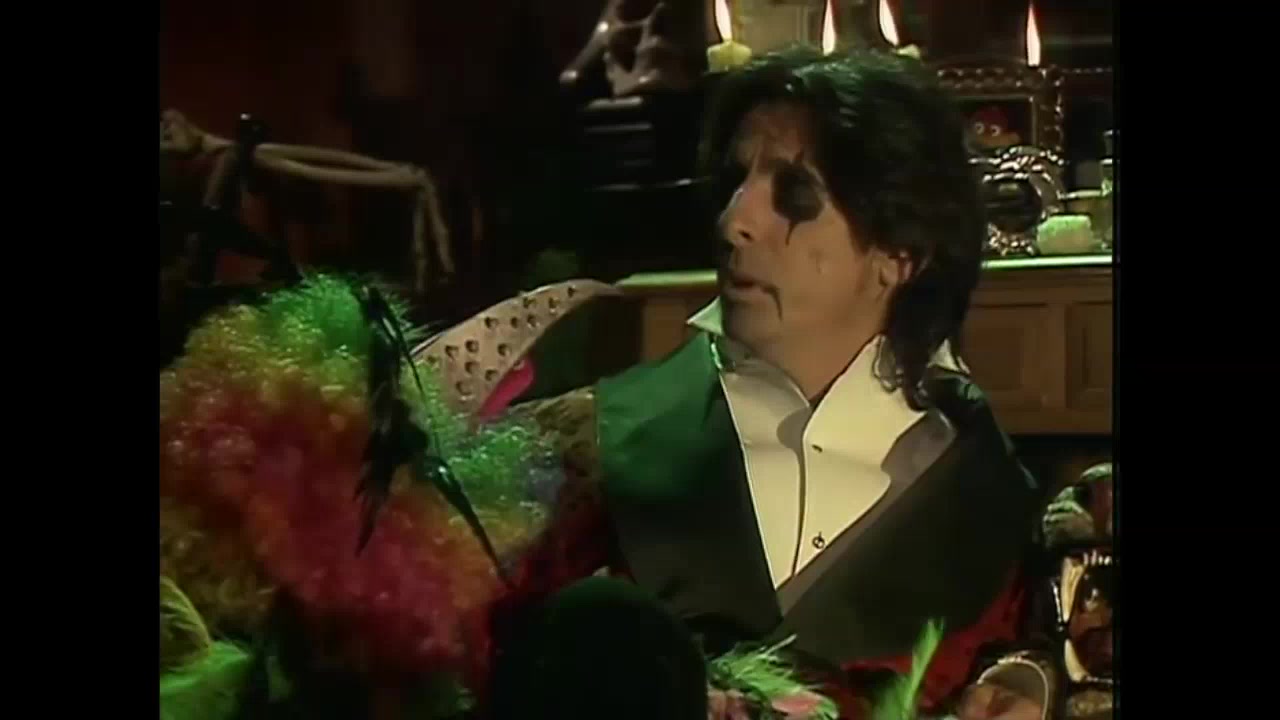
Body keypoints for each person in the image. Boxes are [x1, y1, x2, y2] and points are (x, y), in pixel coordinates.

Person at [499, 47, 1049, 716]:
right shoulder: (587, 448)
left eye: (794, 195)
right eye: (737, 180)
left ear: (899, 255)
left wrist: (1029, 681)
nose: (735, 221)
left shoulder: (985, 494)